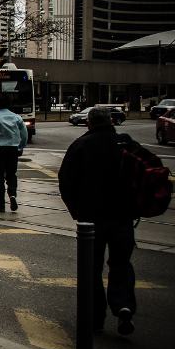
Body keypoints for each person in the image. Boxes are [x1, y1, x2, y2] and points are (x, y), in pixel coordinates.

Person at [58, 107, 137, 335]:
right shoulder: (125, 143)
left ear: (89, 123)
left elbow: (65, 181)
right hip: (123, 216)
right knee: (121, 263)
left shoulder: (81, 145)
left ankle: (95, 317)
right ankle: (123, 305)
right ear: (111, 120)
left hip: (91, 220)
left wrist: (77, 211)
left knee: (91, 268)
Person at [0, 93, 28, 212]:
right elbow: (24, 134)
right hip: (12, 149)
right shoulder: (17, 117)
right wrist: (21, 146)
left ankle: (0, 203)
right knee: (11, 174)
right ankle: (12, 194)